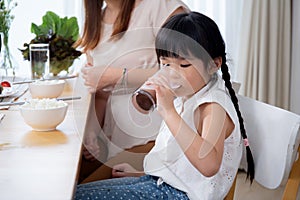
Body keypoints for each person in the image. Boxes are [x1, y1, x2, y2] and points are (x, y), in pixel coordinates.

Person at [75, 11, 255, 200]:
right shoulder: (187, 94)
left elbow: (209, 165)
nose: (173, 73)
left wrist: (169, 112)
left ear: (213, 65)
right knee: (74, 193)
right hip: (163, 184)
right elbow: (181, 163)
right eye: (165, 64)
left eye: (184, 65)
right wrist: (144, 174)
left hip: (181, 195)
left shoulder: (214, 107)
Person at [76, 0, 189, 183]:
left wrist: (115, 76)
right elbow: (101, 95)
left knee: (79, 191)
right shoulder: (95, 22)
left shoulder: (160, 6)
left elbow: (183, 72)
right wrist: (91, 133)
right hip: (115, 141)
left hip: (154, 138)